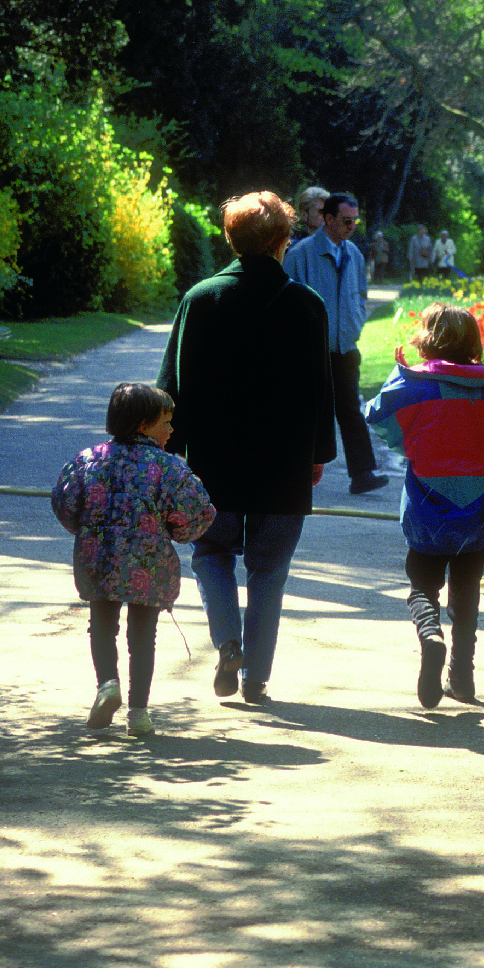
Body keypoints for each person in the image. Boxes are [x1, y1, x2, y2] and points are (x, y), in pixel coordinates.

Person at [158, 191, 336, 705]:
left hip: (214, 460)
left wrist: (171, 450)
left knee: (210, 553)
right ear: (284, 241)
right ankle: (257, 676)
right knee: (269, 570)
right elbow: (319, 389)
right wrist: (318, 453)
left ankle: (227, 641)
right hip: (283, 462)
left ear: (231, 239)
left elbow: (174, 384)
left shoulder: (201, 298)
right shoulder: (307, 305)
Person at [365, 304, 484, 707]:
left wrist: (399, 373)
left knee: (421, 580)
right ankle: (462, 676)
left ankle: (429, 634)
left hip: (427, 499)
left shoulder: (415, 384)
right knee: (467, 585)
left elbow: (376, 413)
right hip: (481, 501)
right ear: (473, 343)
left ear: (427, 341)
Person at [51, 382, 216, 737]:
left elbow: (65, 505)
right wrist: (174, 530)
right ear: (143, 424)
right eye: (165, 422)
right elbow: (198, 514)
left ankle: (107, 685)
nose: (171, 430)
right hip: (150, 562)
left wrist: (86, 529)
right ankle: (138, 713)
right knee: (143, 635)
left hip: (99, 558)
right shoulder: (170, 468)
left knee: (102, 626)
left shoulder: (87, 460)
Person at [282, 193, 388, 495]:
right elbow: (286, 302)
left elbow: (361, 294)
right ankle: (294, 473)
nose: (352, 226)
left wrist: (355, 322)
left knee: (350, 408)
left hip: (345, 349)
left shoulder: (354, 253)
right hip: (310, 350)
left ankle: (363, 473)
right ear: (328, 219)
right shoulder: (300, 254)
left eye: (355, 221)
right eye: (346, 221)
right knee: (306, 412)